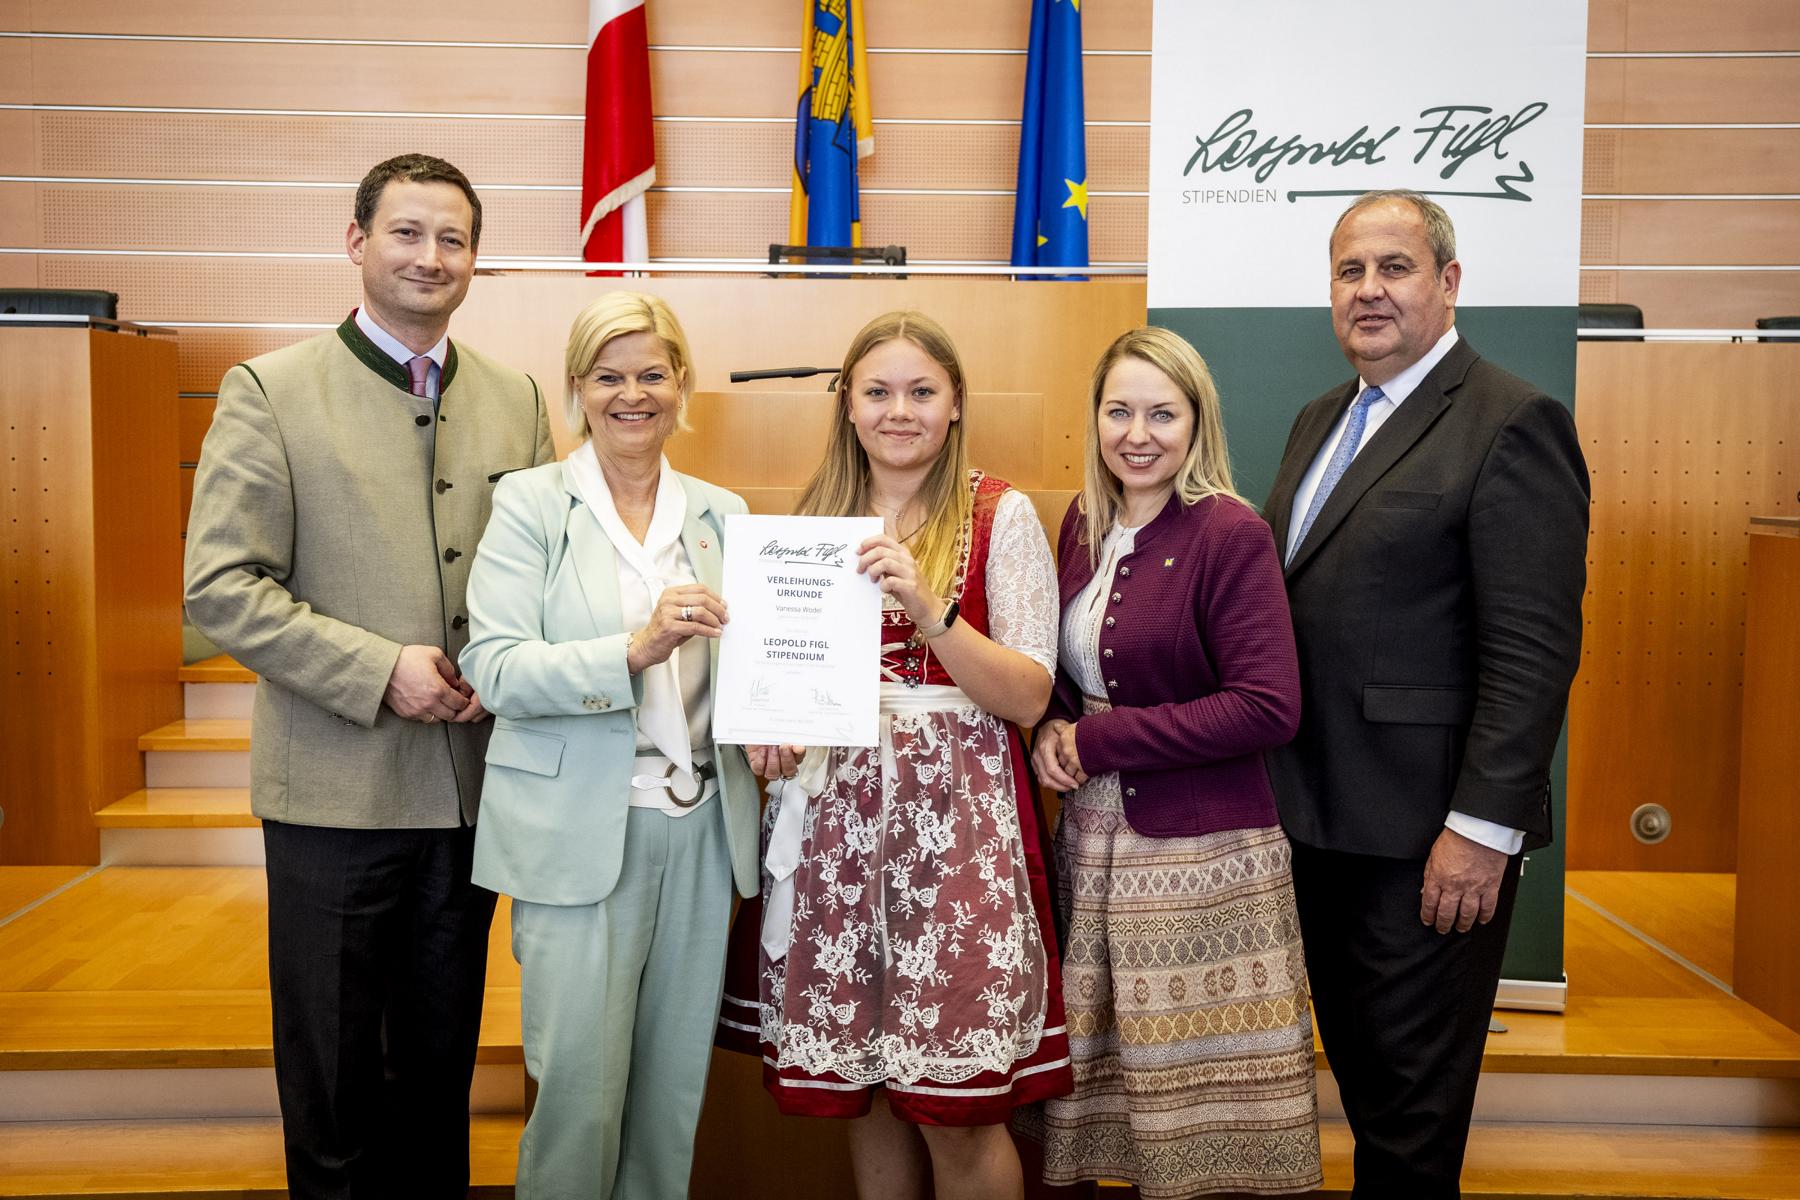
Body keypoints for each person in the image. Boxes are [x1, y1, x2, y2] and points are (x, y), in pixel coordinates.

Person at [183, 153, 555, 1197]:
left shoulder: (520, 400)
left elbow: (549, 569)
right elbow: (220, 587)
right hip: (333, 794)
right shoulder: (272, 391)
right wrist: (380, 667)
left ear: (474, 259)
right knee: (336, 1079)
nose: (430, 256)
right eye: (407, 232)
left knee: (436, 1074)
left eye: (453, 239)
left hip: (470, 793)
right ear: (357, 242)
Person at [1262, 190, 1589, 1196]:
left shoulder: (1513, 422)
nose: (1368, 290)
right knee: (1366, 1090)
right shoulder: (1321, 419)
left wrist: (1481, 832)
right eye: (1349, 271)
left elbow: (1533, 654)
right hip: (1313, 826)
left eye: (1394, 267)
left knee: (1409, 1120)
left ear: (1449, 282)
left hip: (1426, 844)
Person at [720, 310, 1073, 1200]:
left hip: (955, 827)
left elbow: (1029, 696)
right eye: (878, 392)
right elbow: (783, 683)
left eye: (922, 392)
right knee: (866, 1094)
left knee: (959, 1106)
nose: (899, 411)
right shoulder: (813, 522)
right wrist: (771, 731)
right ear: (847, 403)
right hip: (835, 824)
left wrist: (929, 609)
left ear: (956, 404)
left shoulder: (1001, 514)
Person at [458, 291, 761, 1199]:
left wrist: (778, 723)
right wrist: (634, 650)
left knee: (671, 1097)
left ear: (682, 385)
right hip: (578, 830)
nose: (633, 395)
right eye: (608, 377)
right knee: (579, 1102)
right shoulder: (530, 503)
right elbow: (494, 668)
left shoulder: (724, 513)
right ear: (577, 389)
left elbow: (752, 669)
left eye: (652, 374)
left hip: (702, 829)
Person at [1023, 327, 1321, 1196]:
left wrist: (1096, 740)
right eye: (1119, 411)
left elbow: (1268, 705)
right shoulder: (1084, 522)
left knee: (1201, 1115)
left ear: (1198, 423)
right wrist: (1053, 724)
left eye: (1162, 414)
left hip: (1202, 861)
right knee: (1105, 1096)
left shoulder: (1231, 533)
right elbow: (1069, 665)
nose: (1138, 434)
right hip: (1094, 846)